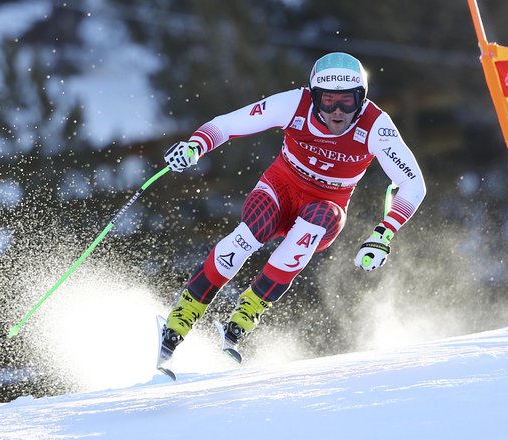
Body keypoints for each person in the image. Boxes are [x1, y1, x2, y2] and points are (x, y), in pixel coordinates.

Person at [160, 52, 426, 362]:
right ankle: (185, 312)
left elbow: (413, 183)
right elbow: (228, 124)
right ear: (314, 98)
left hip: (327, 204)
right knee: (252, 232)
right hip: (279, 189)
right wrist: (196, 145)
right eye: (328, 102)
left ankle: (247, 312)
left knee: (317, 220)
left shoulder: (376, 126)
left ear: (362, 99)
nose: (338, 112)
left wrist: (383, 233)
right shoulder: (293, 104)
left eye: (348, 102)